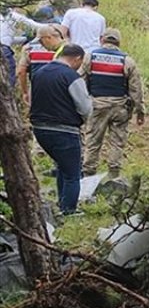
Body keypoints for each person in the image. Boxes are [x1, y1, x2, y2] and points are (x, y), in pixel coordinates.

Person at [30, 44, 92, 215]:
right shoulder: (71, 76)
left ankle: (61, 203)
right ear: (77, 58)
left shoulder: (39, 73)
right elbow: (85, 106)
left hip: (40, 129)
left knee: (62, 167)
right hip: (65, 129)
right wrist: (83, 120)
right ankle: (69, 210)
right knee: (72, 173)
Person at [82, 28, 143, 180]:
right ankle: (114, 174)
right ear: (119, 42)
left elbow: (81, 81)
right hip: (120, 107)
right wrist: (140, 111)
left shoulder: (90, 57)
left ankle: (88, 173)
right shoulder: (127, 61)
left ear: (102, 39)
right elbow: (136, 90)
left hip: (96, 105)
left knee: (93, 140)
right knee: (117, 141)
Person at [15, 24, 64, 108]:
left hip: (37, 87)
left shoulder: (29, 47)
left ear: (48, 38)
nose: (41, 43)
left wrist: (25, 92)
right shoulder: (70, 48)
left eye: (41, 40)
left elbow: (21, 71)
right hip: (60, 89)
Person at [0, 6, 36, 87]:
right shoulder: (12, 16)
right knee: (8, 78)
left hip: (4, 46)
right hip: (3, 50)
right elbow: (34, 26)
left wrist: (24, 39)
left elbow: (6, 38)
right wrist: (52, 26)